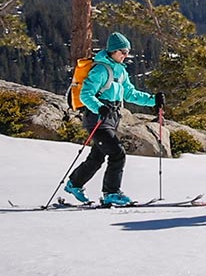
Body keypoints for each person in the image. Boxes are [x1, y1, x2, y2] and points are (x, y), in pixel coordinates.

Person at [64, 32, 164, 207]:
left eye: (127, 52)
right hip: (97, 119)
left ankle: (75, 184)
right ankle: (111, 193)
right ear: (112, 51)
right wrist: (99, 107)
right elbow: (86, 94)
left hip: (111, 119)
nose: (126, 55)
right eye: (123, 51)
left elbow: (130, 93)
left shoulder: (121, 71)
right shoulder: (101, 69)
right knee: (117, 153)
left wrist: (153, 100)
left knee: (97, 156)